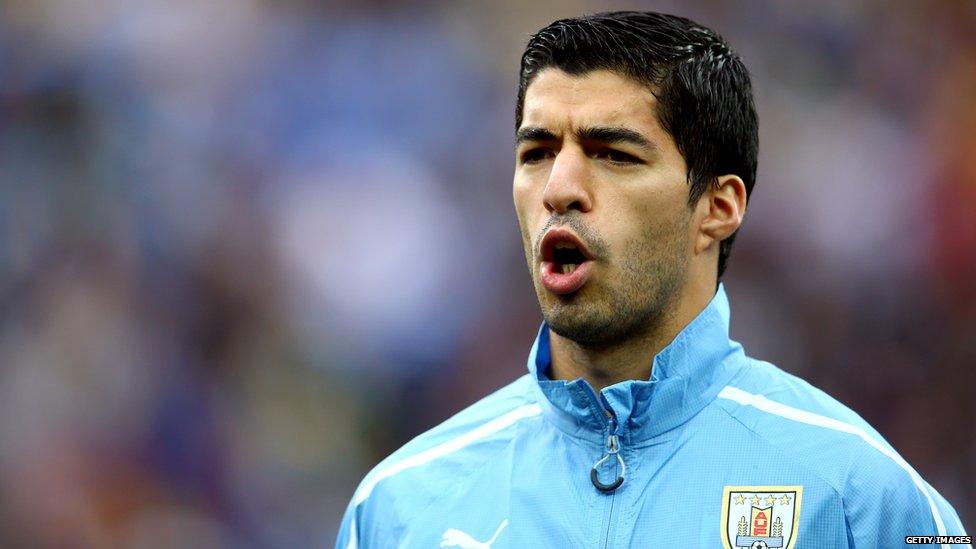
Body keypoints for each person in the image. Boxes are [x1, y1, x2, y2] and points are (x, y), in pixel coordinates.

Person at [336, 11, 970, 548]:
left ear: (718, 207)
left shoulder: (865, 498)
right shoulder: (398, 509)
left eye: (615, 155)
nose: (559, 188)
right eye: (536, 154)